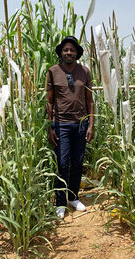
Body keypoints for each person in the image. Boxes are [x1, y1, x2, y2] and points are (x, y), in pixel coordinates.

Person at [46, 36, 94, 219]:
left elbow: (90, 100)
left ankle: (73, 198)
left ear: (77, 53)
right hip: (61, 124)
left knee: (78, 162)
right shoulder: (53, 71)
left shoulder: (85, 72)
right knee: (62, 163)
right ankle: (60, 202)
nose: (69, 53)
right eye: (65, 50)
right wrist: (50, 126)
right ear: (61, 52)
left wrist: (91, 124)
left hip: (80, 124)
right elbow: (49, 102)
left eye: (72, 50)